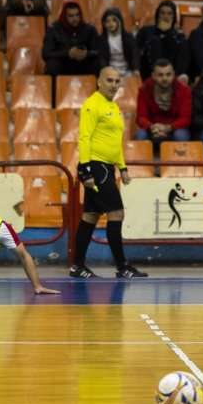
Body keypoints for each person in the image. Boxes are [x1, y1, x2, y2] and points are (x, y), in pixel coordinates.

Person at [70, 66, 148, 280]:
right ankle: (122, 266)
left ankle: (77, 266)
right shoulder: (91, 105)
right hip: (95, 166)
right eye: (109, 80)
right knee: (117, 213)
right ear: (99, 82)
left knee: (90, 216)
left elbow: (115, 142)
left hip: (107, 167)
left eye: (116, 81)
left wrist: (122, 167)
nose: (114, 85)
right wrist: (85, 170)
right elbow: (84, 137)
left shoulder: (113, 106)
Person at [42, 1, 100, 93]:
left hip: (83, 65)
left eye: (77, 15)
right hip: (63, 65)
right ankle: (53, 100)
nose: (75, 19)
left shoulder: (89, 29)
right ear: (65, 16)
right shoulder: (54, 29)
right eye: (71, 16)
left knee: (98, 63)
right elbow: (46, 54)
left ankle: (99, 99)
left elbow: (98, 51)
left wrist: (86, 54)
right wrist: (68, 53)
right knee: (51, 65)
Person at [135, 59, 192, 147]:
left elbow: (186, 119)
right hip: (153, 129)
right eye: (160, 75)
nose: (165, 78)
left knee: (181, 135)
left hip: (175, 129)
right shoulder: (144, 89)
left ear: (173, 74)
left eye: (168, 74)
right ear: (153, 75)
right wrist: (152, 127)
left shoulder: (184, 90)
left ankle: (178, 160)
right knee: (140, 134)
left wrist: (168, 128)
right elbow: (141, 117)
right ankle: (143, 161)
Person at [136, 0, 190, 82]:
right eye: (162, 13)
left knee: (182, 43)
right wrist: (158, 34)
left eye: (169, 13)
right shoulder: (145, 31)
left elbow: (181, 62)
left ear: (174, 16)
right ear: (158, 15)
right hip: (148, 74)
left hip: (171, 76)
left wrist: (167, 34)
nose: (166, 16)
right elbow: (137, 52)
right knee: (155, 41)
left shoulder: (179, 37)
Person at [97, 7, 139, 77]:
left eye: (114, 20)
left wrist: (136, 69)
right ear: (104, 24)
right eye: (107, 21)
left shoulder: (129, 37)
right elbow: (102, 59)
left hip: (128, 71)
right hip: (109, 73)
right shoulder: (101, 39)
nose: (111, 24)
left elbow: (134, 54)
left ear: (120, 22)